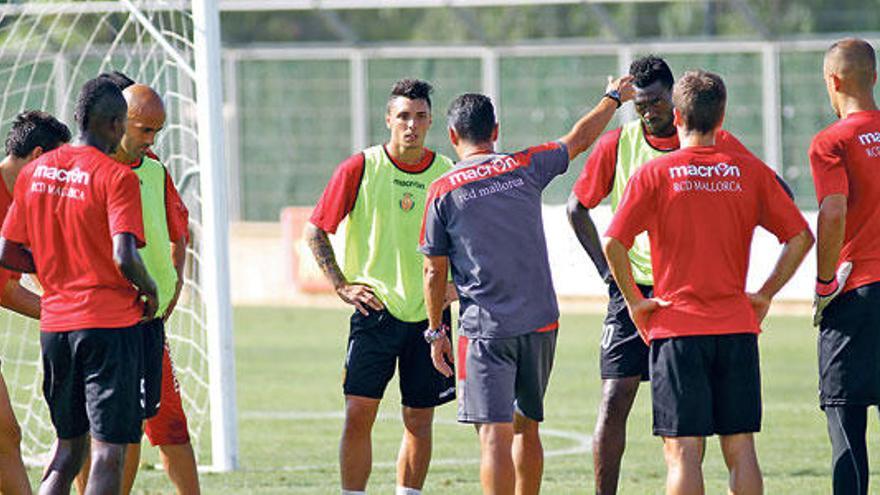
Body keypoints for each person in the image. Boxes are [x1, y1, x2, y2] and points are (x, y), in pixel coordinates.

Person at [420, 75, 635, 495]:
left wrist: (435, 331)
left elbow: (433, 271)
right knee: (527, 427)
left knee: (493, 435)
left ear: (451, 136)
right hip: (540, 323)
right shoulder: (524, 166)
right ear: (495, 131)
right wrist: (613, 98)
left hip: (486, 329)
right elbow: (578, 140)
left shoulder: (443, 189)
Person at [603, 70, 813, 495]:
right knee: (741, 449)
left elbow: (613, 244)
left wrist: (635, 303)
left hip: (677, 329)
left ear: (677, 116)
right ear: (722, 116)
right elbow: (801, 238)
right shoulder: (750, 171)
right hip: (736, 326)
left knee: (682, 452)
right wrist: (765, 294)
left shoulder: (655, 174)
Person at [566, 55, 750, 494]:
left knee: (688, 412)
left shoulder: (715, 143)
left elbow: (765, 190)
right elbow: (577, 209)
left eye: (657, 102)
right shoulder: (619, 143)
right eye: (641, 104)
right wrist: (608, 273)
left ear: (677, 100)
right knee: (614, 400)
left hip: (685, 291)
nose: (649, 112)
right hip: (630, 292)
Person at [0, 76, 158, 495]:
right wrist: (151, 290)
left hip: (55, 328)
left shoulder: (33, 174)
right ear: (112, 123)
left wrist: (56, 271)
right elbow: (125, 256)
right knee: (108, 452)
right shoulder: (116, 177)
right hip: (107, 326)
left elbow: (7, 253)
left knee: (68, 451)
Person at [305, 78, 457, 495]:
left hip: (430, 317)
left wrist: (457, 284)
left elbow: (471, 239)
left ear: (431, 122)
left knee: (419, 419)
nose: (412, 125)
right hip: (375, 313)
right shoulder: (361, 167)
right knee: (358, 413)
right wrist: (341, 285)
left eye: (420, 117)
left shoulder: (447, 173)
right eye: (403, 116)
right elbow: (316, 230)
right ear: (388, 118)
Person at [74, 74, 198, 495]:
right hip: (103, 323)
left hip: (149, 323)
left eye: (157, 130)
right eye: (145, 129)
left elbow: (180, 230)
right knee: (98, 431)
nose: (152, 139)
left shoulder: (155, 170)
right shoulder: (90, 172)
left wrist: (176, 278)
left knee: (166, 425)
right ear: (117, 121)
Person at [809, 38, 880, 495]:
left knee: (846, 427)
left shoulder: (831, 140)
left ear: (832, 81)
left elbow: (832, 212)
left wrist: (822, 283)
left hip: (857, 293)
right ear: (873, 77)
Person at [0, 111, 71, 495]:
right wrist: (67, 314)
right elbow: (6, 290)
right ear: (39, 155)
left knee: (5, 435)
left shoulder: (25, 200)